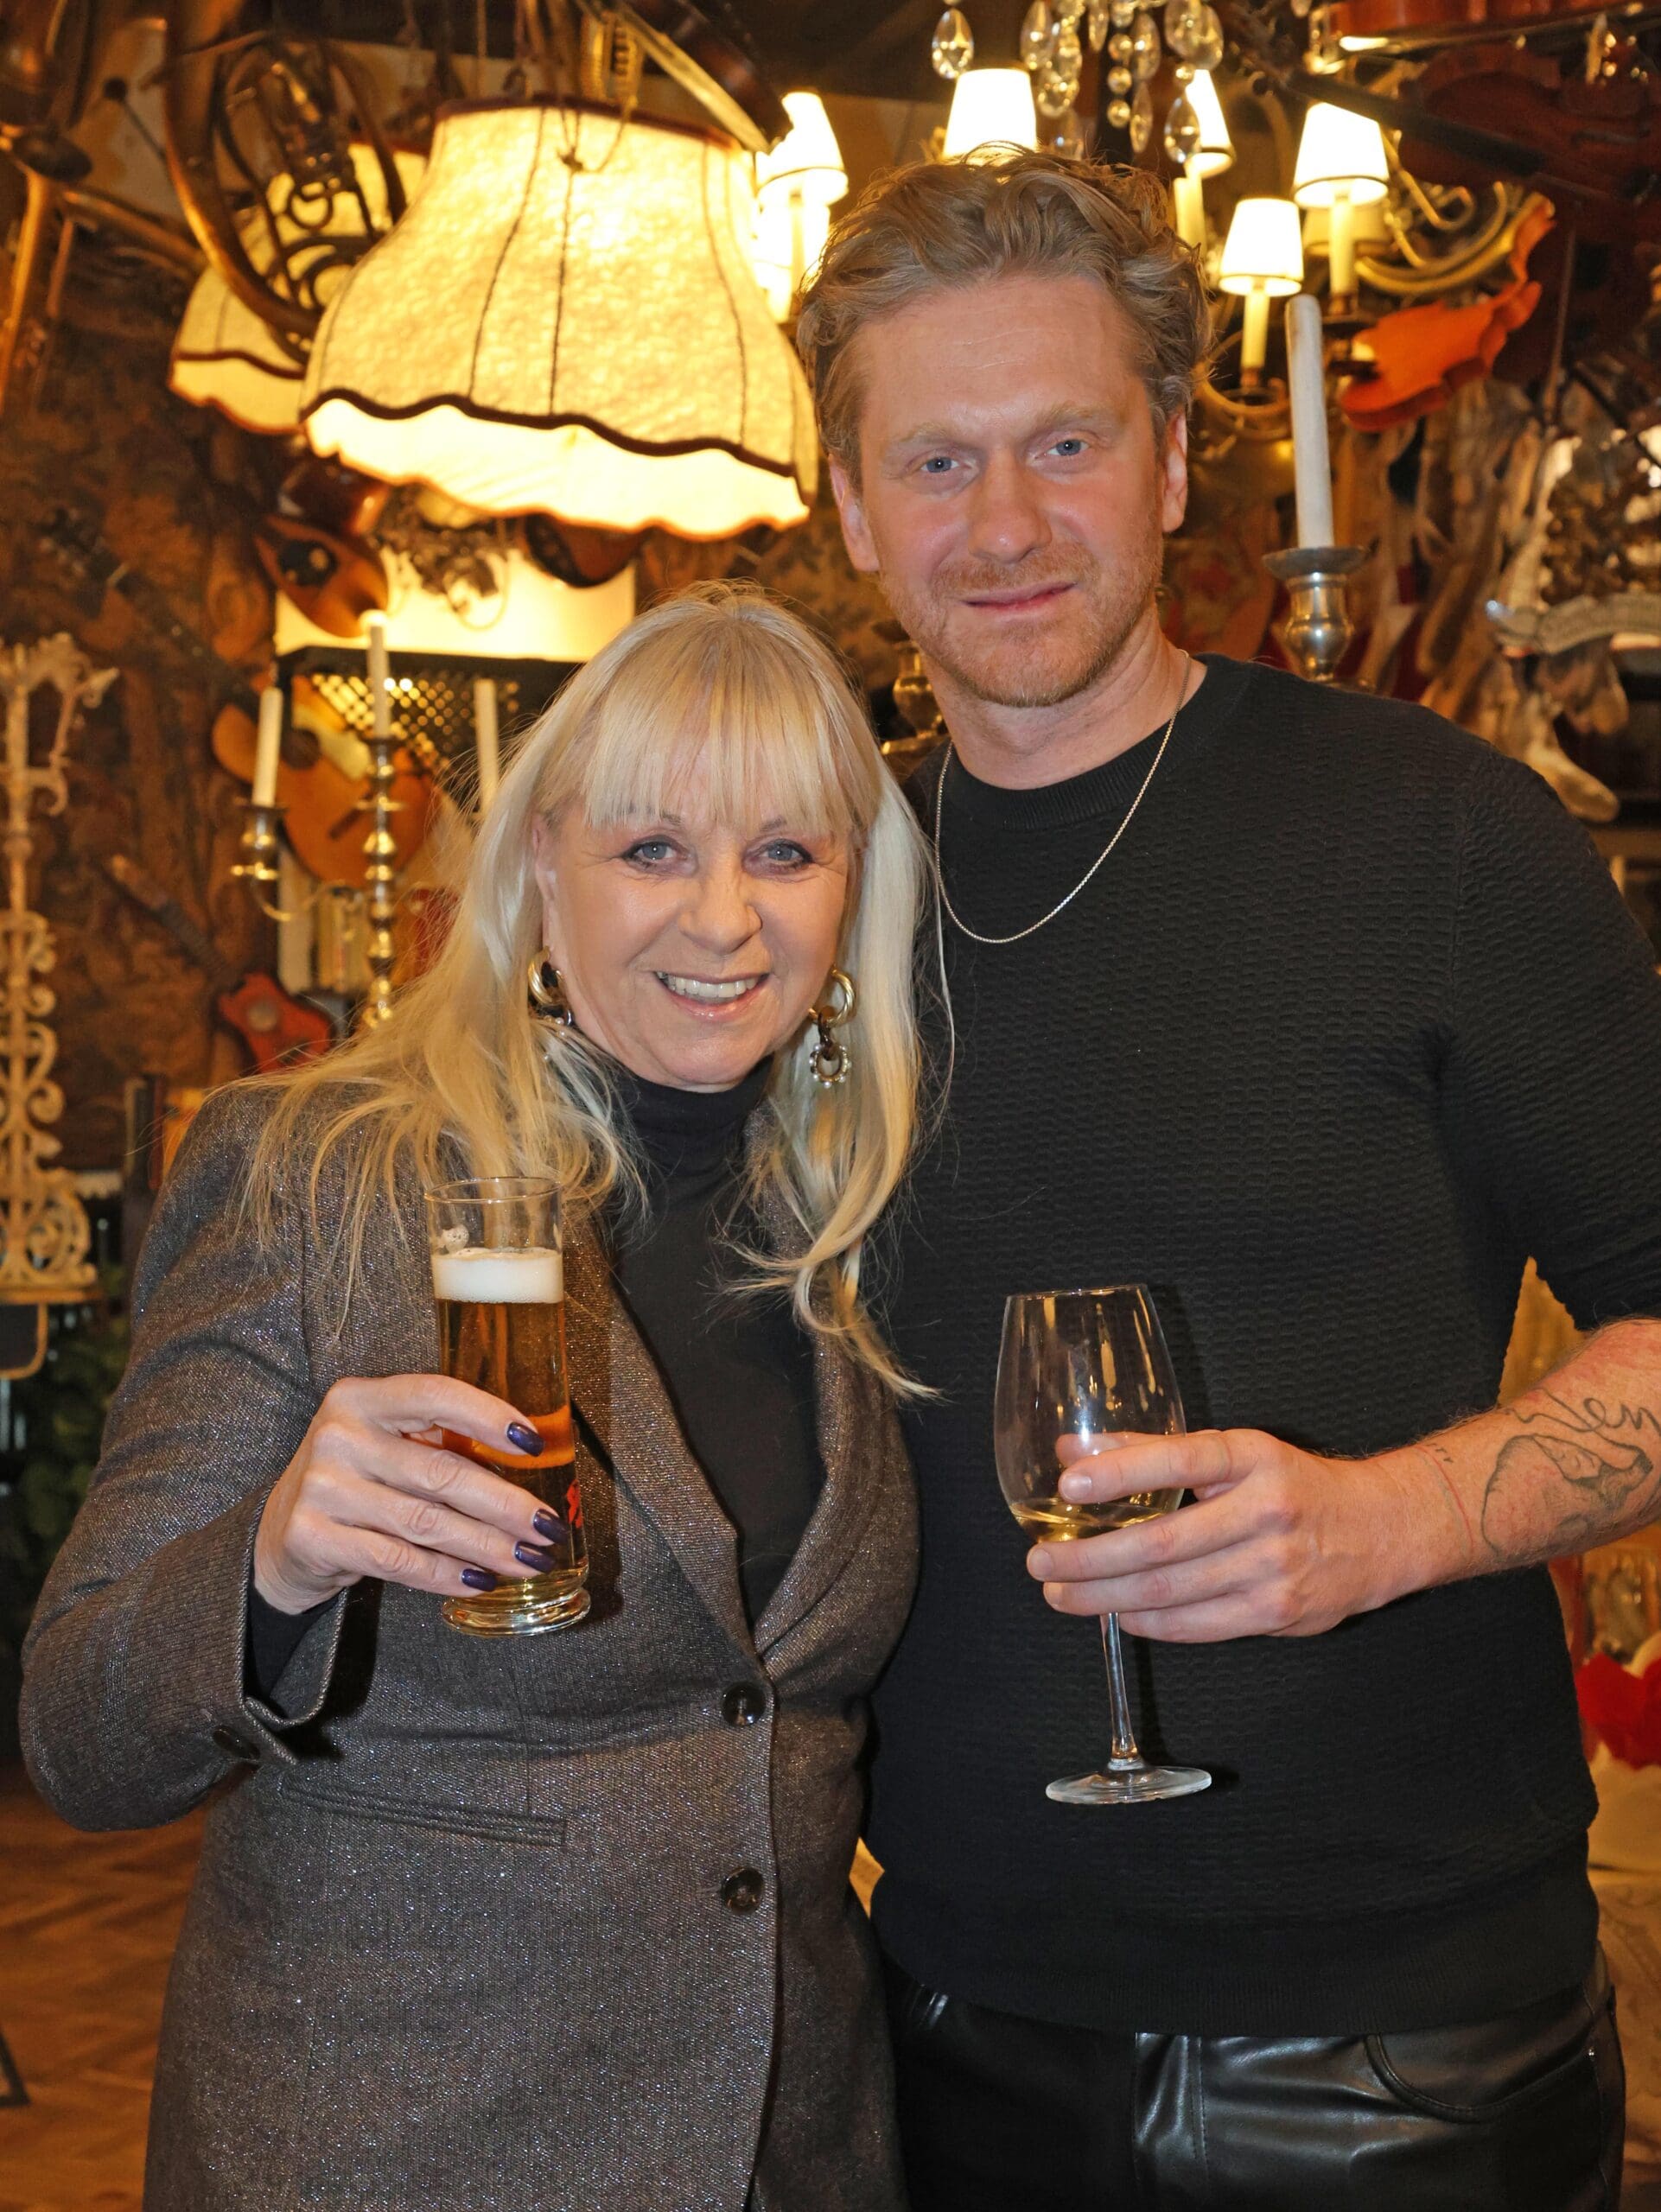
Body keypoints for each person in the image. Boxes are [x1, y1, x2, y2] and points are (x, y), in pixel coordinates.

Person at [794, 150, 1661, 2210]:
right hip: (938, 2002)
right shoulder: (799, 897)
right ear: (849, 507)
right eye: (935, 460)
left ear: (1177, 461)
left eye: (1066, 442)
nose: (1005, 523)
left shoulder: (1441, 838)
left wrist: (1384, 1519)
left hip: (1402, 2043)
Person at [20, 583, 930, 2212]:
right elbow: (79, 1732)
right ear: (538, 869)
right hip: (399, 2144)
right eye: (653, 848)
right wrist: (272, 1564)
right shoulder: (319, 1173)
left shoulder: (860, 1210)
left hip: (789, 2150)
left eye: (786, 851)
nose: (723, 918)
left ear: (853, 887)